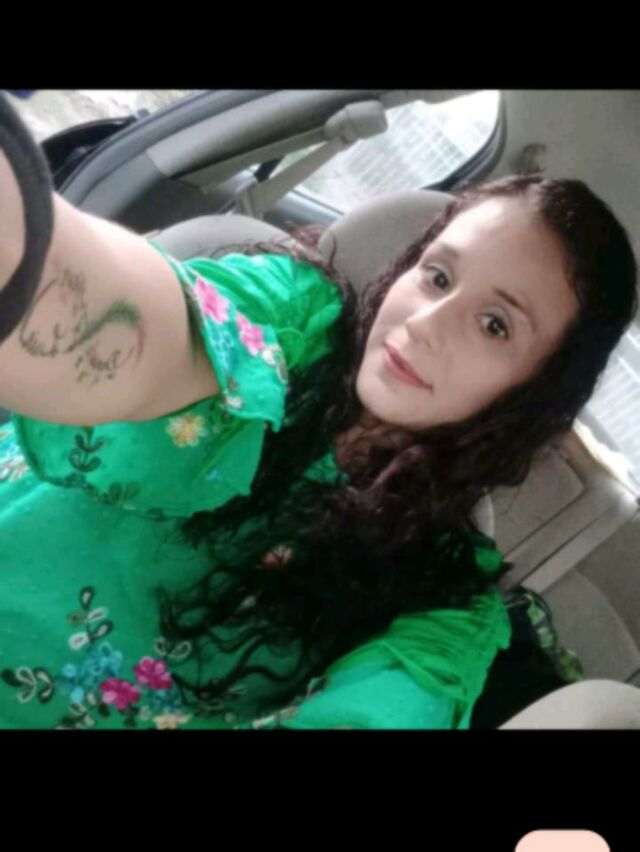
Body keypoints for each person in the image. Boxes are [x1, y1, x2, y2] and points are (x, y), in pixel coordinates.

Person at [0, 93, 636, 730]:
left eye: (494, 324)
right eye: (438, 277)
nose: (425, 322)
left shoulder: (440, 607)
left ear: (535, 394)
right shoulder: (292, 318)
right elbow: (133, 325)